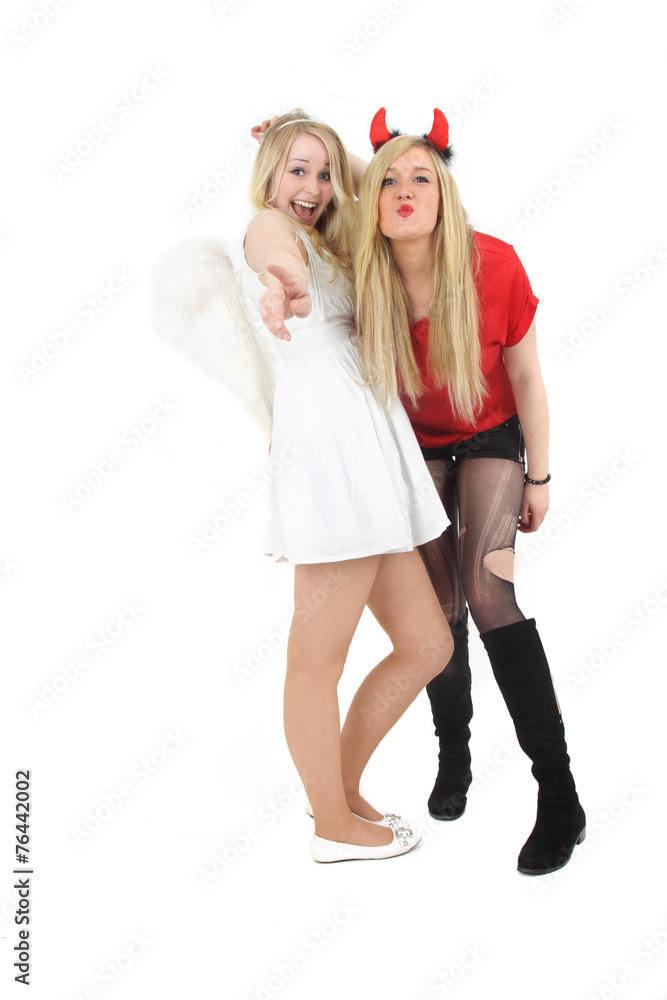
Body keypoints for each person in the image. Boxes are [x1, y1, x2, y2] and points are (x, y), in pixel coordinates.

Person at [200, 109, 455, 863]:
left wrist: (320, 141)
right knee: (317, 659)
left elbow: (375, 189)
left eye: (321, 173)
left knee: (427, 643)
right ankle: (331, 828)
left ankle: (334, 793)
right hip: (330, 458)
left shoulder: (335, 237)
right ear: (269, 176)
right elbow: (275, 255)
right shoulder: (268, 229)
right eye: (296, 170)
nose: (310, 186)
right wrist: (285, 286)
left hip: (367, 449)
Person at [353, 108, 586, 876]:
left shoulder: (494, 264)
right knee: (438, 612)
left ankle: (559, 795)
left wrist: (539, 475)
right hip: (411, 448)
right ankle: (453, 753)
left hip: (489, 437)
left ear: (444, 192)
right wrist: (286, 138)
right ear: (370, 198)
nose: (405, 190)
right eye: (388, 180)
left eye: (421, 177)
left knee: (488, 595)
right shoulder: (360, 270)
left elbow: (526, 377)